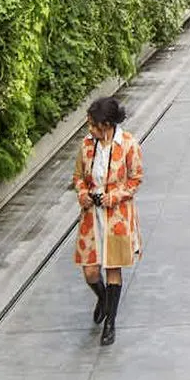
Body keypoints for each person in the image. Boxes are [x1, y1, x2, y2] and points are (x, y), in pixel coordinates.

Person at [72, 96, 143, 346]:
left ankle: (110, 323)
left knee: (113, 267)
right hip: (92, 215)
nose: (90, 129)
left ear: (106, 124)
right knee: (90, 270)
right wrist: (83, 193)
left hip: (117, 216)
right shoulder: (86, 145)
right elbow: (78, 176)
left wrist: (114, 196)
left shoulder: (128, 144)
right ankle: (102, 297)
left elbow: (136, 179)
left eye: (93, 124)